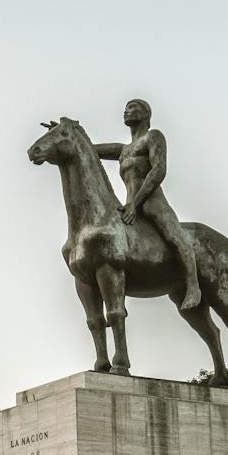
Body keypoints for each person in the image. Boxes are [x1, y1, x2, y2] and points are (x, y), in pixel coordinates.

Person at [92, 98, 203, 310]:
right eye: (125, 108)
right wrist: (68, 132)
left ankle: (193, 286)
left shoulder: (153, 137)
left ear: (145, 115)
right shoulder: (124, 150)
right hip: (130, 207)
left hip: (153, 203)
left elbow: (159, 170)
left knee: (174, 235)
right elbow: (88, 149)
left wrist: (135, 203)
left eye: (132, 108)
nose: (126, 111)